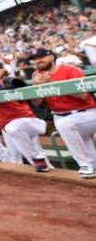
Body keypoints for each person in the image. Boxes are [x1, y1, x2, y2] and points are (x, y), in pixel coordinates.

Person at [29, 48, 96, 179]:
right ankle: (91, 166)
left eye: (41, 57)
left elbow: (82, 95)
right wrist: (35, 87)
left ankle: (84, 164)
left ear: (51, 57)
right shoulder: (38, 76)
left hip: (87, 114)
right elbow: (37, 102)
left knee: (66, 124)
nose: (38, 61)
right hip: (60, 115)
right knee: (87, 150)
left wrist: (50, 82)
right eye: (35, 59)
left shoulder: (70, 70)